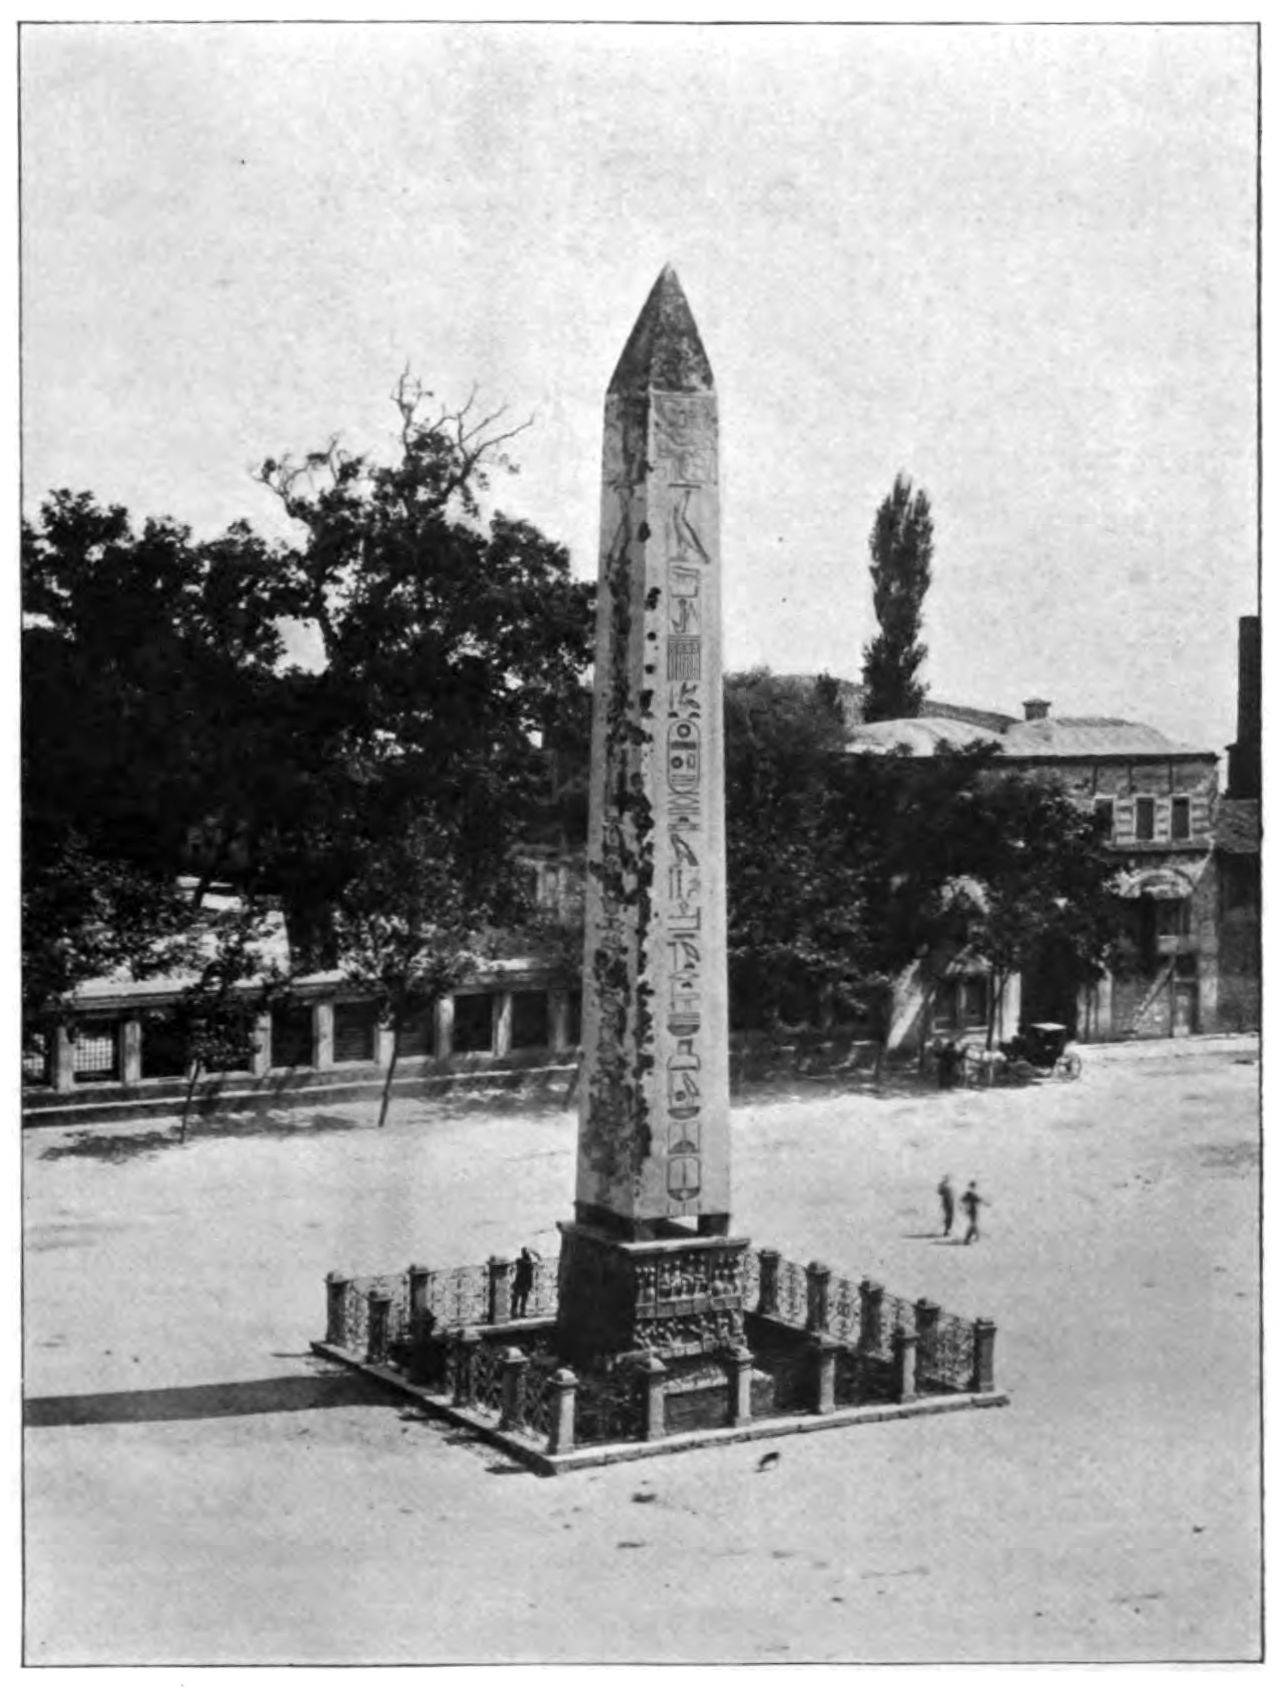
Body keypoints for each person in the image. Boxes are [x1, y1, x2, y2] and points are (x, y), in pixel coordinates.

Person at [510, 1245, 539, 1318]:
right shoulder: (523, 1261)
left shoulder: (520, 1261)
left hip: (523, 1283)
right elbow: (538, 1259)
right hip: (522, 1283)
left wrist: (533, 1252)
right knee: (519, 1299)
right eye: (527, 1252)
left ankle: (518, 1313)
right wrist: (534, 1252)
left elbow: (537, 1260)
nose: (527, 1254)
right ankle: (517, 1313)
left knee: (521, 1299)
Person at [961, 1180, 987, 1245]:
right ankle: (966, 1239)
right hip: (972, 1212)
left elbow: (962, 1200)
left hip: (970, 1211)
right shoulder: (972, 1194)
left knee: (974, 1223)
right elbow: (979, 1200)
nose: (973, 1188)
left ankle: (977, 1235)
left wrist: (965, 1206)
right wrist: (986, 1203)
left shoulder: (968, 1194)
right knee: (972, 1224)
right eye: (973, 1186)